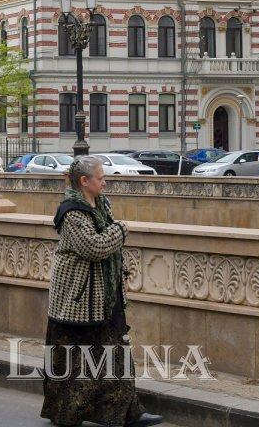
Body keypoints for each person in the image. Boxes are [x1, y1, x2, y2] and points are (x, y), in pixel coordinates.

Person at [39, 157, 163, 427]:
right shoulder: (70, 212)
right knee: (74, 358)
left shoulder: (103, 204)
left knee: (117, 353)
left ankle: (129, 412)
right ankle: (65, 413)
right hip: (76, 298)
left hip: (106, 295)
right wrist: (121, 228)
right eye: (100, 177)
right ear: (85, 181)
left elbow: (107, 245)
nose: (105, 181)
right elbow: (94, 247)